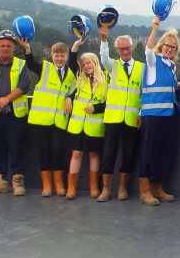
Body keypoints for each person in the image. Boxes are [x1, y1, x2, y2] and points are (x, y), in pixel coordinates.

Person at [139, 17, 180, 206]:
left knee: (163, 153)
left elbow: (166, 84)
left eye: (174, 47)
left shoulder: (171, 67)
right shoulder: (153, 61)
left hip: (167, 115)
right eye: (167, 45)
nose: (170, 49)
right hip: (152, 116)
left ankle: (157, 189)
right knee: (148, 153)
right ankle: (144, 191)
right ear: (161, 46)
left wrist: (178, 84)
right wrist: (154, 28)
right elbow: (147, 50)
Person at [19, 39, 75, 197]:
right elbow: (31, 64)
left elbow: (75, 90)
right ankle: (47, 185)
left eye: (62, 56)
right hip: (41, 120)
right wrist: (27, 48)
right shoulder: (45, 67)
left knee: (58, 151)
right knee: (44, 152)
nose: (59, 59)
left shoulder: (71, 73)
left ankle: (59, 184)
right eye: (56, 55)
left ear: (66, 56)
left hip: (59, 120)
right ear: (52, 56)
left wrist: (69, 98)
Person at [97, 28, 143, 202]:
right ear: (117, 51)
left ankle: (123, 188)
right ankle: (106, 189)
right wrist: (103, 39)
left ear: (132, 47)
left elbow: (143, 93)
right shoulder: (112, 66)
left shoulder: (141, 68)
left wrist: (141, 112)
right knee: (109, 153)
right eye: (121, 49)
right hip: (113, 118)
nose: (125, 51)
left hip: (131, 120)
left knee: (129, 154)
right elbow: (103, 57)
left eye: (127, 48)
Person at [0, 30, 30, 196]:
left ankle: (17, 182)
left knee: (16, 148)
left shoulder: (20, 64)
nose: (5, 48)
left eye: (8, 46)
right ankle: (0, 182)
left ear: (13, 48)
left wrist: (5, 100)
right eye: (2, 45)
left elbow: (24, 85)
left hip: (14, 116)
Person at [65, 39, 108, 200]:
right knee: (76, 153)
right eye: (83, 64)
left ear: (95, 63)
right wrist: (75, 45)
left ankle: (94, 186)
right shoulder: (79, 79)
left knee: (93, 154)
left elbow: (108, 103)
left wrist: (95, 108)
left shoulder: (105, 82)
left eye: (88, 63)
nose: (86, 66)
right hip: (78, 125)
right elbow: (71, 62)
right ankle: (71, 188)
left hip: (94, 126)